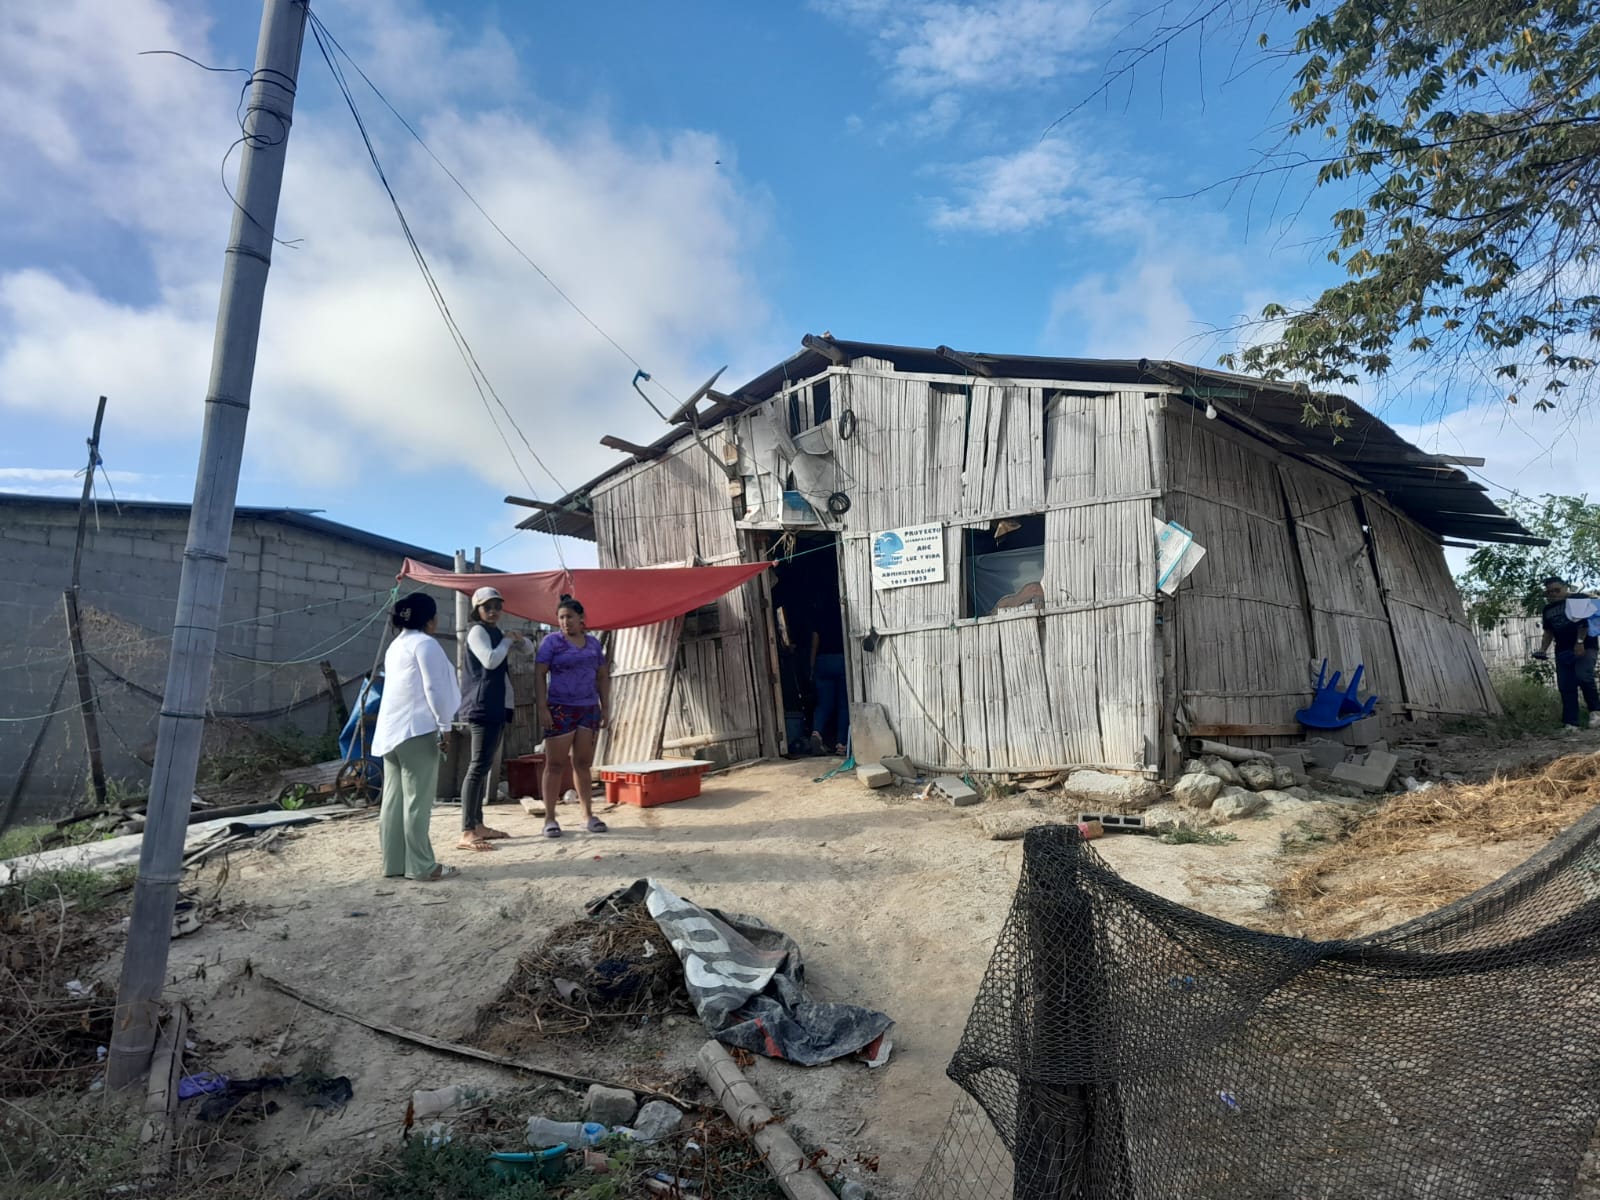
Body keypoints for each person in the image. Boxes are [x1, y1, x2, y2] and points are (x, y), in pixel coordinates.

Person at [372, 592, 462, 882]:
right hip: (417, 730)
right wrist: (445, 725)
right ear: (430, 619)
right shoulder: (426, 644)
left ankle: (394, 863)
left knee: (393, 801)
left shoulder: (395, 646)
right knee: (417, 802)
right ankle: (422, 866)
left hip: (391, 732)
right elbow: (433, 688)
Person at [534, 594, 610, 837]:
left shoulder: (593, 644)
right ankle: (550, 819)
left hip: (588, 709)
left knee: (583, 763)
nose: (565, 622)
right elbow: (539, 674)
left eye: (569, 617)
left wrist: (606, 707)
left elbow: (602, 676)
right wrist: (542, 707)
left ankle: (587, 815)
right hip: (560, 709)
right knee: (555, 764)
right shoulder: (551, 642)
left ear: (581, 618)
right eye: (561, 618)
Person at [456, 585, 525, 852]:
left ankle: (478, 825)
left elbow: (528, 650)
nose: (494, 611)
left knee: (483, 766)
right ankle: (467, 831)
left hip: (495, 706)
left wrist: (518, 639)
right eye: (487, 607)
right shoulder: (477, 632)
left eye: (497, 606)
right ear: (477, 609)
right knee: (477, 768)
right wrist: (508, 641)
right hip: (481, 706)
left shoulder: (495, 632)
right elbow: (490, 660)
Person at [1534, 576, 1600, 732]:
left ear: (1565, 588)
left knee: (1583, 676)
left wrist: (1579, 642)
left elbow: (1584, 623)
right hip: (1562, 649)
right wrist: (1543, 649)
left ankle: (1595, 712)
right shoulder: (1548, 610)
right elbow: (1548, 632)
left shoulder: (1577, 599)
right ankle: (1571, 723)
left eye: (1556, 590)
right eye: (1549, 592)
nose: (1553, 594)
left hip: (1585, 645)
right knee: (1565, 684)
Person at [808, 600, 848, 756]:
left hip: (823, 661)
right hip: (841, 660)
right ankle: (841, 744)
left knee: (823, 704)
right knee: (843, 705)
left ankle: (817, 732)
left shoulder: (819, 617)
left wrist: (812, 667)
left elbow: (815, 643)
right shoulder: (844, 616)